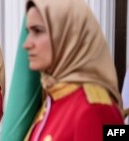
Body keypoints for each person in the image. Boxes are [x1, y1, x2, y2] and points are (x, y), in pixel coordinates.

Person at [20, 0, 124, 140]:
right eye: (29, 32)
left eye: (38, 31)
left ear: (69, 35)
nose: (26, 44)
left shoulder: (95, 108)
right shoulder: (55, 99)